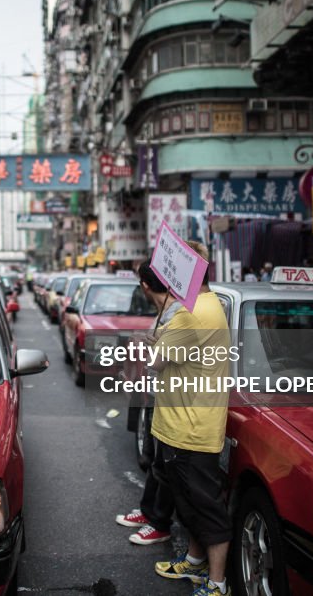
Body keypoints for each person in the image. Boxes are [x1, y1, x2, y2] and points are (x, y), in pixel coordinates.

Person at [145, 241, 232, 596]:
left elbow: (156, 360)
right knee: (192, 505)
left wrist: (160, 331)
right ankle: (195, 563)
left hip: (189, 429)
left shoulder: (190, 312)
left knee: (207, 511)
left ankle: (217, 583)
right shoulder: (206, 304)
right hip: (188, 424)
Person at [115, 262, 180, 546]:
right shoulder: (166, 311)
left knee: (164, 465)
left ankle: (160, 523)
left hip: (169, 397)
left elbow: (163, 357)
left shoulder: (177, 312)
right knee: (154, 460)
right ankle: (148, 511)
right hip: (155, 394)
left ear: (143, 286)